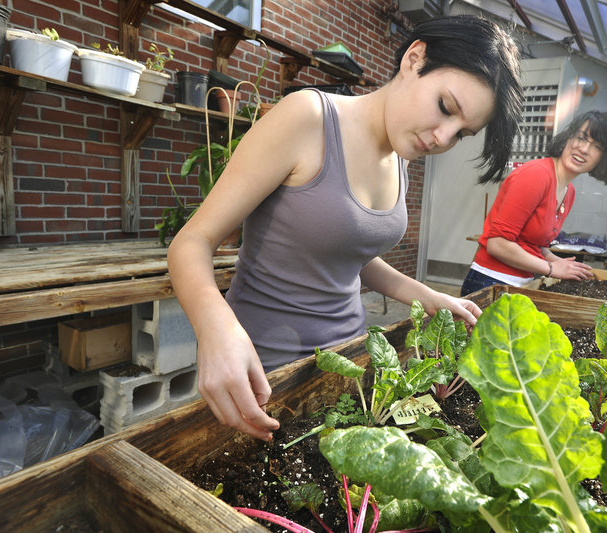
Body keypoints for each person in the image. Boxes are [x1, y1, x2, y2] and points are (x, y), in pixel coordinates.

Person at [167, 15, 523, 441]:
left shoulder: (401, 153)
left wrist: (425, 294)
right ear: (414, 58)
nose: (442, 138)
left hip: (349, 365)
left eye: (462, 134)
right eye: (446, 107)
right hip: (264, 372)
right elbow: (192, 242)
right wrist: (215, 328)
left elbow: (350, 252)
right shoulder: (308, 119)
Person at [460, 110, 607, 296]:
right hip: (490, 282)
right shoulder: (537, 174)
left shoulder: (568, 191)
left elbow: (533, 244)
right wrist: (552, 269)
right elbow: (498, 244)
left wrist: (558, 262)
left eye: (597, 147)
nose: (584, 149)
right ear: (568, 138)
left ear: (604, 159)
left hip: (521, 284)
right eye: (581, 137)